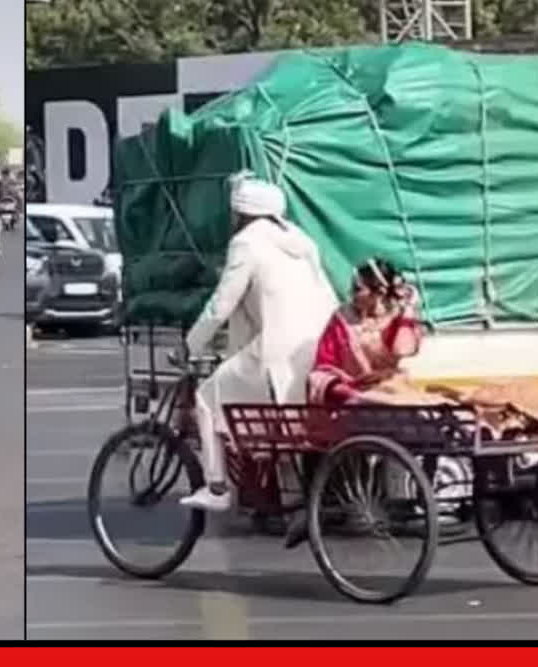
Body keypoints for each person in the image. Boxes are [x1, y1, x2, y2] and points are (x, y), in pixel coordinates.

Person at [179, 171, 339, 513]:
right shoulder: (300, 239)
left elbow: (221, 304)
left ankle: (217, 487)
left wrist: (191, 344)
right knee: (288, 428)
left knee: (206, 398)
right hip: (317, 346)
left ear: (242, 213)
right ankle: (298, 500)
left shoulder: (247, 243)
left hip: (277, 349)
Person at [307, 258, 427, 407]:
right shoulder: (342, 319)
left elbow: (403, 349)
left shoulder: (397, 317)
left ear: (379, 293)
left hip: (393, 390)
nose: (351, 293)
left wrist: (408, 309)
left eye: (358, 289)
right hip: (353, 393)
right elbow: (323, 369)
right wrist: (353, 395)